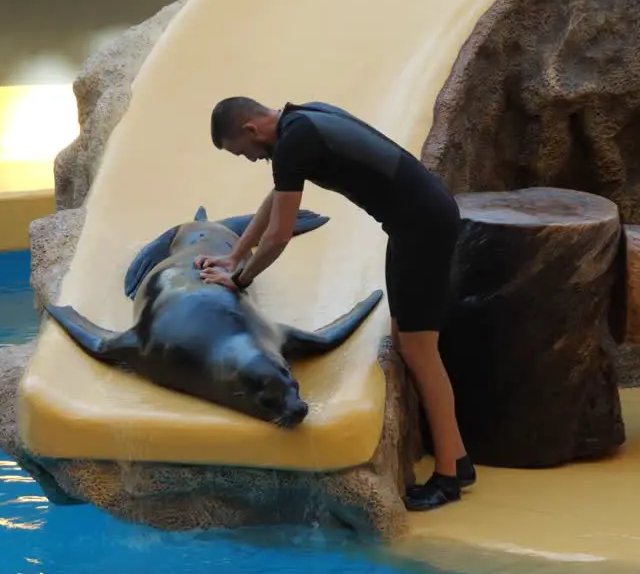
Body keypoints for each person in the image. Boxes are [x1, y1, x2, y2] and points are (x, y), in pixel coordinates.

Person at [196, 96, 476, 511]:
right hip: (412, 224)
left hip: (424, 227)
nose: (250, 159)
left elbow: (279, 235)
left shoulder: (296, 140)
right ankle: (458, 459)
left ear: (251, 130)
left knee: (421, 350)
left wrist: (239, 280)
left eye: (243, 151)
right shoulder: (300, 119)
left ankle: (449, 479)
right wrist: (235, 255)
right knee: (408, 342)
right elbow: (275, 201)